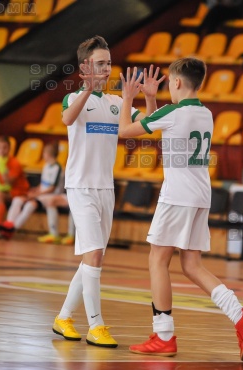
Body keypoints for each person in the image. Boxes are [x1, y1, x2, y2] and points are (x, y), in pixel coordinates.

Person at [118, 57, 243, 361]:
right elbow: (162, 122)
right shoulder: (205, 113)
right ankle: (240, 314)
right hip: (200, 195)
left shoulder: (173, 112)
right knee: (191, 265)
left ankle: (164, 335)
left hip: (177, 195)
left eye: (169, 81)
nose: (169, 86)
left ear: (178, 82)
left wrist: (128, 97)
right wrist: (151, 97)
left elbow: (125, 132)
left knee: (157, 260)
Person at [50, 36, 163, 349]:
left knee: (92, 256)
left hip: (105, 189)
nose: (107, 68)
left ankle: (63, 318)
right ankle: (96, 325)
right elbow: (66, 119)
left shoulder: (116, 103)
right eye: (100, 63)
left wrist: (150, 98)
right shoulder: (74, 98)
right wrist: (87, 89)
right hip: (80, 187)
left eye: (109, 63)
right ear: (85, 66)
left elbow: (150, 125)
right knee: (95, 254)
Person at [0, 143, 70, 241]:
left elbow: (51, 188)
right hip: (41, 195)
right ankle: (9, 223)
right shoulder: (46, 165)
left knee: (30, 204)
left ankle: (12, 229)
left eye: (44, 153)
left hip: (51, 196)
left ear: (47, 154)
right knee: (18, 199)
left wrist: (36, 195)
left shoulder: (57, 168)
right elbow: (43, 184)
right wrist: (35, 190)